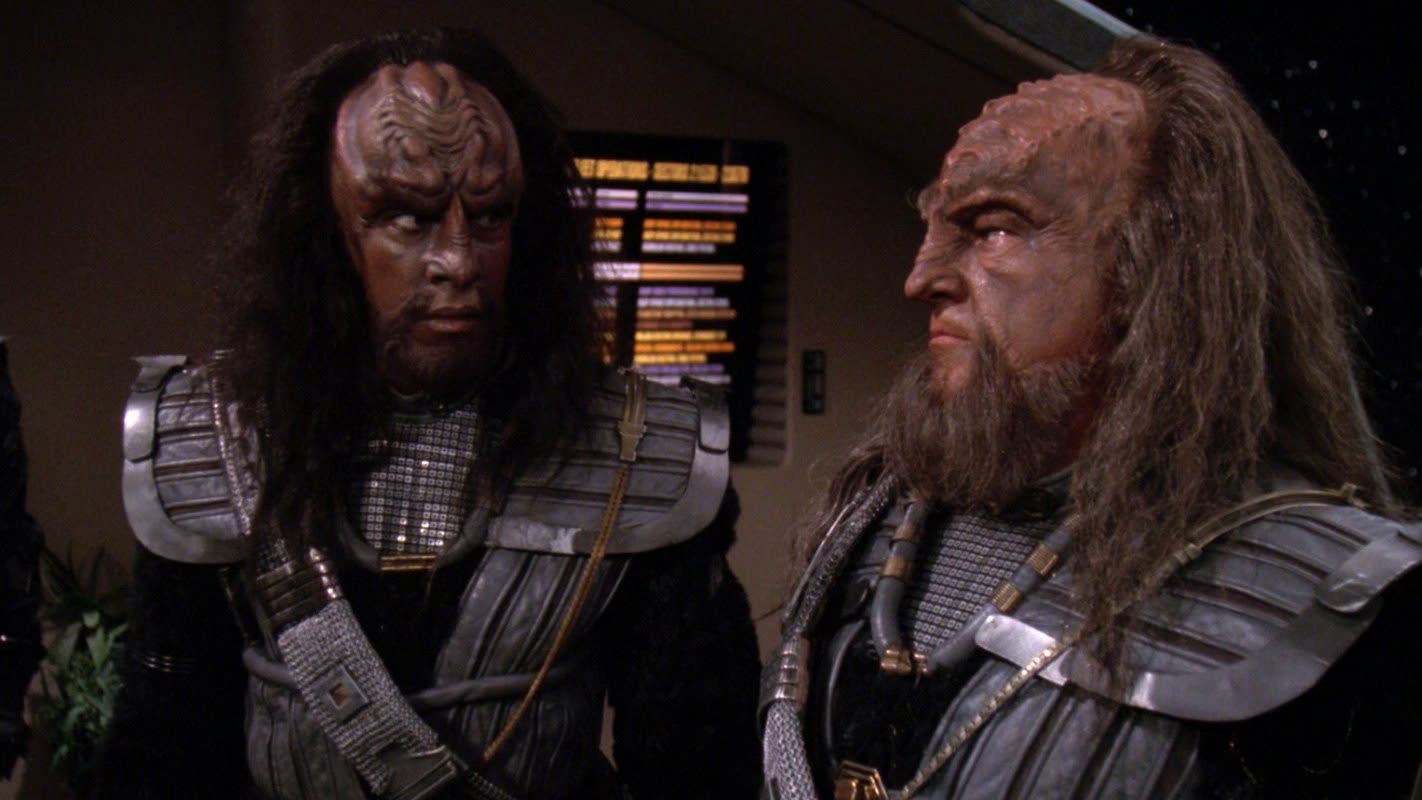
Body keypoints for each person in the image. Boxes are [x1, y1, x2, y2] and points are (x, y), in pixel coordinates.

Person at [97, 28, 761, 800]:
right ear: (326, 232)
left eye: (489, 216)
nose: (459, 260)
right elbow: (165, 753)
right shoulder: (213, 434)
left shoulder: (639, 453)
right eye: (407, 218)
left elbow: (695, 769)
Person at [761, 37, 1422, 799]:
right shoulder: (871, 517)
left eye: (993, 228)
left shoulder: (1316, 586)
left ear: (1159, 266)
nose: (921, 278)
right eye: (934, 228)